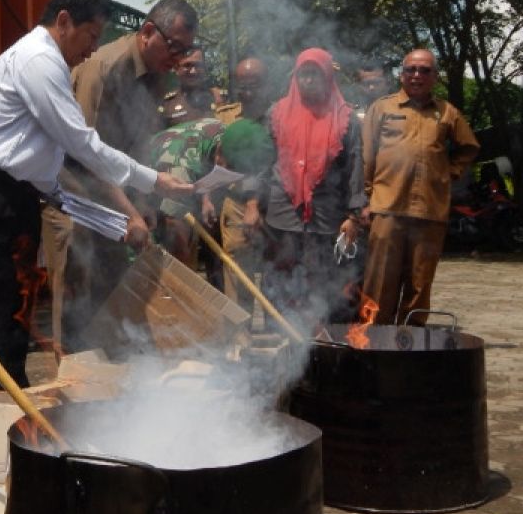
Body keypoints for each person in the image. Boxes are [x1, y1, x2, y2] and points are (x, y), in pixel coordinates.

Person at [0, 0, 192, 389]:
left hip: (16, 199)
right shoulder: (38, 61)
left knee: (12, 318)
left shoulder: (53, 64)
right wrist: (151, 181)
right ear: (64, 21)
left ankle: (11, 416)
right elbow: (83, 145)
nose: (92, 49)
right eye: (91, 37)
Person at [51, 0, 197, 353]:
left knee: (113, 294)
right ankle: (75, 392)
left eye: (186, 52)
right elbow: (86, 154)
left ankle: (110, 391)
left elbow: (140, 145)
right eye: (175, 48)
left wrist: (143, 202)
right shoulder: (103, 68)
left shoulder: (159, 78)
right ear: (148, 32)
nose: (178, 60)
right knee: (76, 298)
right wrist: (131, 212)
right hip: (74, 198)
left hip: (116, 202)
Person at [361, 49, 479, 325]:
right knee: (380, 281)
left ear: (435, 77)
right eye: (411, 70)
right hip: (387, 207)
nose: (417, 75)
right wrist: (366, 200)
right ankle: (373, 338)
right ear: (402, 75)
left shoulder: (447, 112)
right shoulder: (382, 108)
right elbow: (367, 156)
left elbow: (469, 147)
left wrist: (449, 172)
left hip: (430, 210)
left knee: (419, 282)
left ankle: (409, 340)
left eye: (425, 70)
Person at [256, 48, 365, 329]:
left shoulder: (346, 117)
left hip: (327, 215)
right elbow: (264, 163)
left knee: (322, 279)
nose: (308, 81)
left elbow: (355, 166)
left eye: (315, 74)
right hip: (282, 212)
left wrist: (354, 216)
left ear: (328, 77)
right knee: (281, 276)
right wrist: (253, 205)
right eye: (303, 74)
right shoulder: (276, 112)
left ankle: (320, 342)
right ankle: (284, 337)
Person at [141, 117, 272, 264]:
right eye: (232, 171)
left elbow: (208, 164)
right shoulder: (180, 169)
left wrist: (250, 205)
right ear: (219, 153)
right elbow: (174, 227)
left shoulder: (227, 135)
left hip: (189, 178)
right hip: (143, 194)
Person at [215, 56, 271, 306]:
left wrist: (256, 204)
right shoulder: (224, 118)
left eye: (254, 83)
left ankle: (275, 333)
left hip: (274, 204)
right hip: (236, 204)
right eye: (242, 84)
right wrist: (206, 198)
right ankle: (239, 337)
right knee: (238, 269)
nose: (247, 91)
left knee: (274, 269)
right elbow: (215, 162)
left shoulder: (279, 115)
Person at [158, 46, 214, 127]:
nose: (193, 71)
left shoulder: (218, 98)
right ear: (177, 69)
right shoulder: (166, 104)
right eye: (187, 65)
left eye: (198, 65)